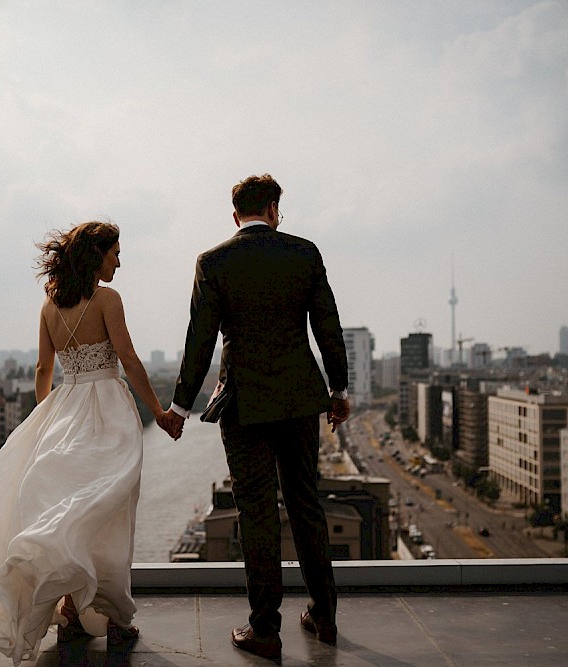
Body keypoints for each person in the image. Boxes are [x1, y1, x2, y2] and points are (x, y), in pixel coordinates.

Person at [0, 221, 179, 664]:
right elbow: (128, 359)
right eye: (114, 252)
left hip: (66, 409)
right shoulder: (108, 299)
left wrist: (46, 419)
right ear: (96, 255)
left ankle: (73, 610)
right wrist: (160, 411)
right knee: (109, 514)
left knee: (75, 509)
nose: (118, 260)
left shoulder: (49, 305)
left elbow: (41, 370)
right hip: (109, 410)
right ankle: (115, 620)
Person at [166, 174, 350, 661]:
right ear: (272, 209)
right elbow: (327, 324)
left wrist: (181, 406)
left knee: (257, 511)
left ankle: (265, 630)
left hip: (244, 401)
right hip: (297, 397)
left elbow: (199, 341)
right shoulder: (304, 253)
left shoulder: (213, 262)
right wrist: (339, 389)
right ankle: (325, 616)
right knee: (306, 502)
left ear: (235, 215)